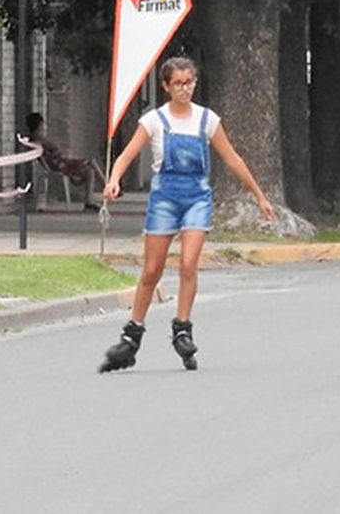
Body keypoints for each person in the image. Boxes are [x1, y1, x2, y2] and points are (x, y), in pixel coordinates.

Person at [96, 56, 275, 373]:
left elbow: (232, 159)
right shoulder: (154, 121)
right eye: (178, 83)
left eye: (189, 82)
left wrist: (259, 195)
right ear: (166, 86)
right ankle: (132, 334)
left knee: (189, 263)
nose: (184, 89)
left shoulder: (207, 120)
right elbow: (126, 155)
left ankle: (182, 327)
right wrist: (113, 179)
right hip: (165, 197)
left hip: (197, 197)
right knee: (152, 270)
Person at [24, 112, 106, 210]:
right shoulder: (38, 141)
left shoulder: (37, 141)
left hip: (61, 163)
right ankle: (106, 187)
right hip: (60, 165)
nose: (43, 130)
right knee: (91, 162)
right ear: (37, 128)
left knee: (90, 171)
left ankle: (90, 199)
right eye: (41, 127)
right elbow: (50, 153)